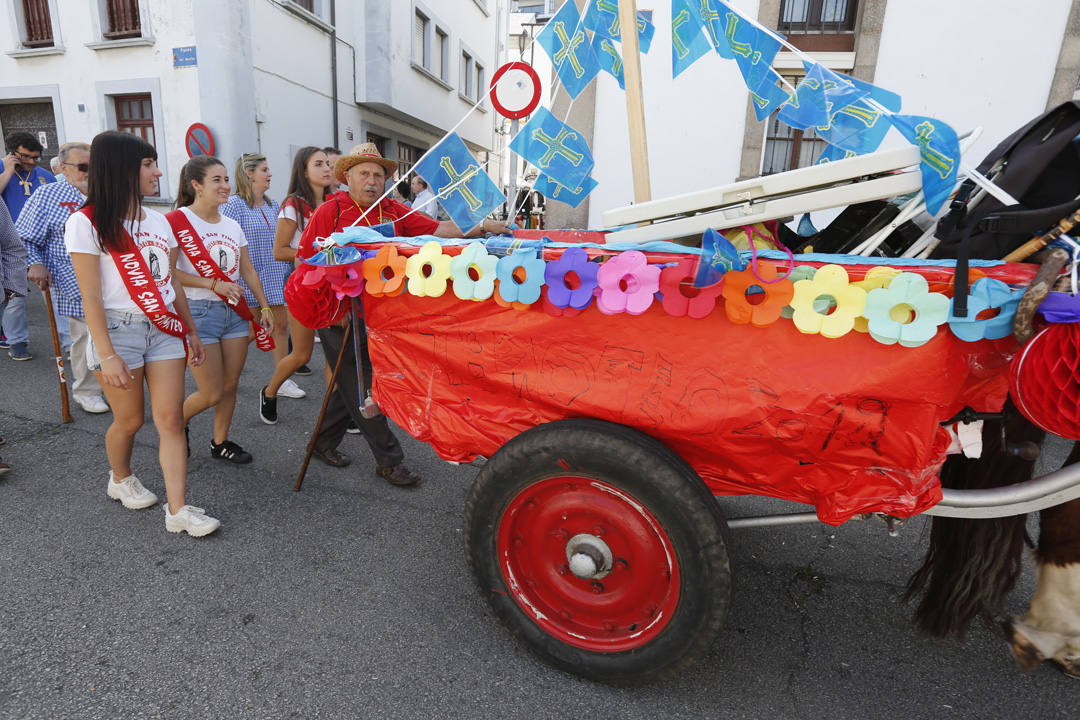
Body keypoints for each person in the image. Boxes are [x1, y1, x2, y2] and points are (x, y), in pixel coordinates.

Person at [293, 142, 511, 486]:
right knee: (364, 383)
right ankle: (389, 460)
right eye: (364, 173)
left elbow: (438, 230)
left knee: (350, 383)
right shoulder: (329, 213)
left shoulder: (394, 211)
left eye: (378, 174)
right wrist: (332, 311)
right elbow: (305, 263)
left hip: (382, 313)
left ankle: (322, 442)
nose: (371, 181)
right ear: (347, 177)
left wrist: (484, 227)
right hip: (341, 315)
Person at [65, 130, 218, 537]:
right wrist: (106, 352)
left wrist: (191, 333)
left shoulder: (158, 220)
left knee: (169, 419)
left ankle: (179, 509)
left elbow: (171, 282)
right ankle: (120, 477)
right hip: (118, 330)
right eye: (148, 165)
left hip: (165, 327)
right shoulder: (86, 222)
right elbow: (91, 296)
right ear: (123, 169)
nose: (158, 172)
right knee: (130, 421)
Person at [171, 155, 275, 464]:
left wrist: (265, 307)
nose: (226, 186)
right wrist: (212, 284)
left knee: (230, 385)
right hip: (198, 311)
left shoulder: (231, 224)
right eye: (217, 180)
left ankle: (220, 442)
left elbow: (248, 270)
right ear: (196, 185)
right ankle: (176, 423)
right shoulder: (178, 220)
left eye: (226, 179)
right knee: (211, 392)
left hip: (234, 314)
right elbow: (167, 272)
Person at [17, 141, 109, 413]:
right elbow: (23, 237)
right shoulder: (47, 196)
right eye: (82, 167)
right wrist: (34, 264)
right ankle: (86, 390)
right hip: (73, 280)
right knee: (87, 336)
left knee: (114, 335)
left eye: (94, 167)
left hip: (113, 280)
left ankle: (113, 384)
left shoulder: (107, 194)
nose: (89, 173)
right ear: (64, 169)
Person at [259, 146, 332, 424]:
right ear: (303, 170)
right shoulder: (293, 204)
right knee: (301, 354)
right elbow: (279, 250)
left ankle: (337, 413)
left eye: (327, 163)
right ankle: (270, 391)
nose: (326, 168)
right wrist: (314, 254)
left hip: (335, 286)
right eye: (318, 164)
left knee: (334, 355)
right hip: (303, 286)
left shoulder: (335, 203)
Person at [221, 153, 301, 398]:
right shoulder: (234, 205)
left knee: (280, 327)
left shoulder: (273, 205)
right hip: (250, 278)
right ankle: (220, 370)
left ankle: (282, 379)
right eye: (264, 170)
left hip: (276, 275)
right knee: (251, 331)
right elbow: (225, 240)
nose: (270, 174)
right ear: (249, 173)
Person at [0, 131, 54, 361]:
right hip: (8, 244)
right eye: (26, 157)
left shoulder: (43, 175)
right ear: (13, 154)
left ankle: (68, 342)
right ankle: (17, 342)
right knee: (14, 297)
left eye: (36, 157)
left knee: (51, 292)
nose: (32, 162)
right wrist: (8, 171)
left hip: (40, 242)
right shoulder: (3, 169)